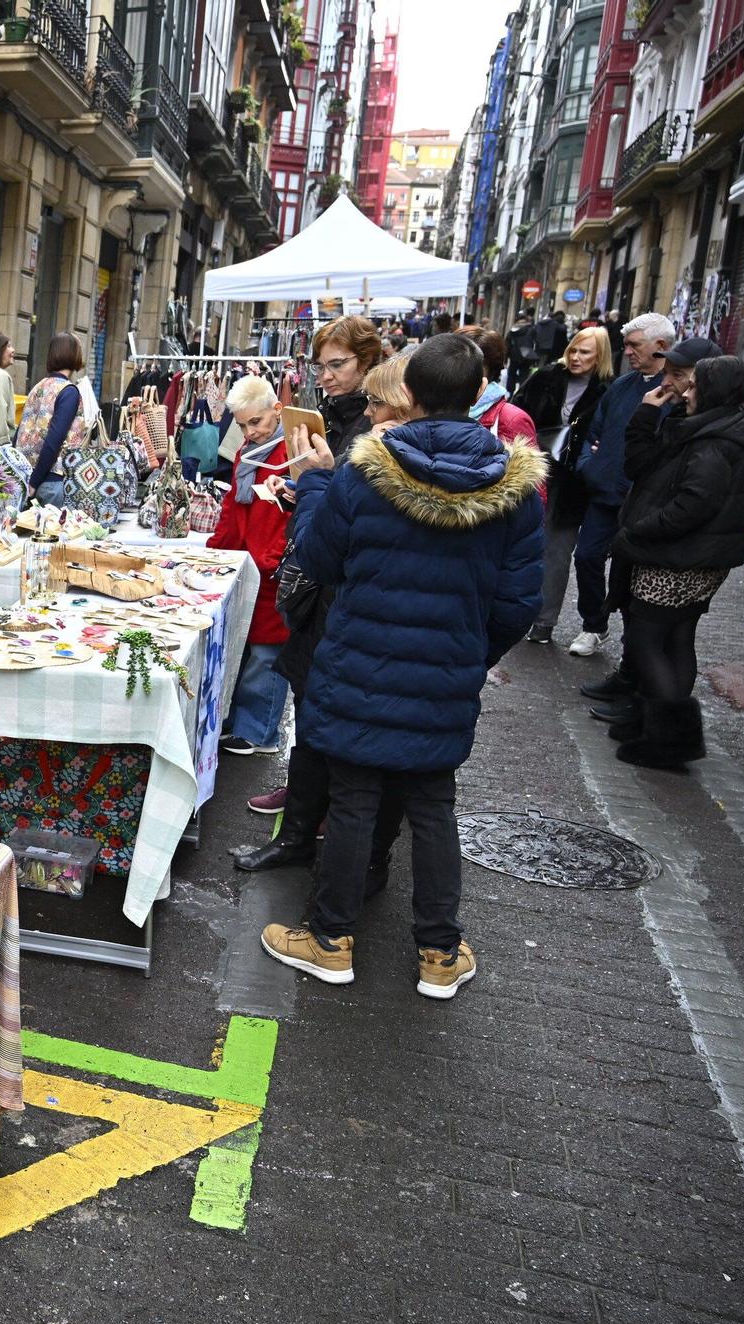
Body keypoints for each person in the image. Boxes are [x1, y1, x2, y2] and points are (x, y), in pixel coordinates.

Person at [261, 334, 545, 999]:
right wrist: (470, 655)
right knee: (432, 805)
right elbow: (518, 602)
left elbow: (319, 559)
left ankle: (330, 939)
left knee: (355, 800)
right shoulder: (517, 485)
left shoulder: (366, 468)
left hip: (358, 666)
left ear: (409, 394)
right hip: (445, 675)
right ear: (479, 393)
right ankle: (440, 952)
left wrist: (315, 487)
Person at [234, 316, 384, 854]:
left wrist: (313, 483)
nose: (326, 376)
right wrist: (299, 489)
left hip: (337, 586)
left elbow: (348, 511)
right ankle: (303, 799)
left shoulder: (373, 429)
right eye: (320, 365)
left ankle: (313, 814)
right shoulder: (330, 418)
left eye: (337, 364)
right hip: (315, 578)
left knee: (322, 693)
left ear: (368, 363)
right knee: (306, 686)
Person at [604, 352, 744, 769]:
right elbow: (642, 465)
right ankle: (658, 727)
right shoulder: (711, 429)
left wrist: (637, 531)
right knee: (675, 638)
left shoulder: (713, 442)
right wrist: (647, 417)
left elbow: (691, 506)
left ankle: (669, 741)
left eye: (694, 386)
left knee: (648, 638)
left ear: (713, 391)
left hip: (679, 559)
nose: (686, 392)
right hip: (694, 557)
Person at [567, 312, 677, 695]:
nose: (626, 351)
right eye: (626, 344)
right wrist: (589, 466)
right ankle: (594, 625)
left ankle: (634, 648)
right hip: (604, 491)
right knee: (586, 557)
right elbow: (594, 430)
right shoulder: (622, 386)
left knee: (631, 573)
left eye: (634, 345)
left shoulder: (673, 391)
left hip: (642, 501)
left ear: (660, 347)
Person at [514, 326, 612, 647]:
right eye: (573, 350)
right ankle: (510, 609)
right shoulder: (545, 378)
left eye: (585, 352)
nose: (576, 357)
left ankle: (544, 622)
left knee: (557, 551)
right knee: (518, 541)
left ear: (601, 356)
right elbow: (518, 412)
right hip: (532, 470)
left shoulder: (606, 391)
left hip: (571, 483)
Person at [209, 376, 291, 757]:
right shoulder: (247, 452)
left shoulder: (296, 452)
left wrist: (273, 560)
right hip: (250, 566)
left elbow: (294, 517)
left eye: (255, 422)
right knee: (248, 650)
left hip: (273, 569)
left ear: (277, 411)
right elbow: (234, 508)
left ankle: (260, 732)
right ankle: (242, 724)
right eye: (242, 425)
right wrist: (216, 550)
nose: (249, 431)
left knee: (266, 654)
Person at [17, 332, 102, 507]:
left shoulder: (38, 386)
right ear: (72, 354)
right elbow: (54, 439)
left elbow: (22, 431)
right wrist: (34, 482)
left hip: (29, 476)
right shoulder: (68, 391)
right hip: (53, 481)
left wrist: (30, 480)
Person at [457, 326, 540, 453]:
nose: (462, 369)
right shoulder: (429, 406)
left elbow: (527, 470)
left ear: (490, 368)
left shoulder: (512, 420)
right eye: (455, 361)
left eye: (474, 364)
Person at [505, 309, 538, 391]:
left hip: (514, 356)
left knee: (511, 374)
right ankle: (522, 391)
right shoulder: (531, 329)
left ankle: (510, 392)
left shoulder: (512, 331)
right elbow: (536, 343)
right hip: (526, 356)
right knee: (524, 375)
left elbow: (507, 345)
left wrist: (505, 357)